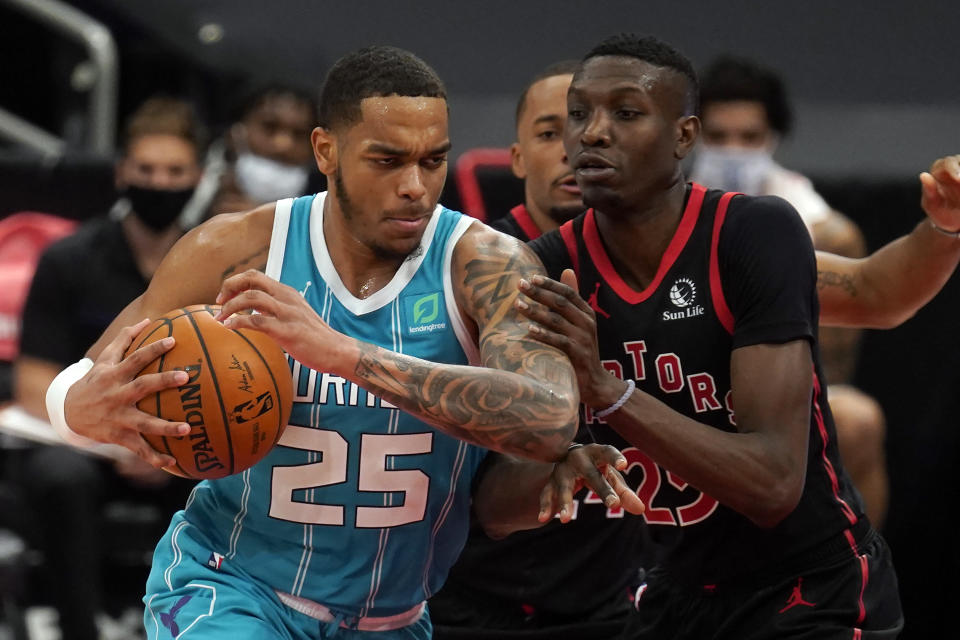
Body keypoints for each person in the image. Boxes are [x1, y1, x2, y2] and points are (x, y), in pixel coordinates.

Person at [43, 46, 640, 640]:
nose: (415, 186)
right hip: (232, 587)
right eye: (386, 160)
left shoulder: (485, 264)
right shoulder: (234, 249)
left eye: (433, 161)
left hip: (393, 617)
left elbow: (551, 416)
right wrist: (76, 408)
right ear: (326, 150)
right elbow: (86, 376)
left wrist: (344, 355)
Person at [434, 54, 960, 638]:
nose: (586, 136)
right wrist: (558, 446)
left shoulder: (746, 236)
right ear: (514, 157)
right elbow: (492, 508)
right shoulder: (509, 274)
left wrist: (943, 229)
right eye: (562, 125)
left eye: (622, 114)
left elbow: (870, 295)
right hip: (632, 589)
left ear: (683, 135)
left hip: (794, 588)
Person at [11, 96, 206, 640]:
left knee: (231, 473)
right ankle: (79, 628)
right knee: (58, 478)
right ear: (121, 172)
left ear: (198, 177)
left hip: (186, 440)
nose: (159, 183)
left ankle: (190, 624)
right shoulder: (68, 259)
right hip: (88, 444)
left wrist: (163, 449)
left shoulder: (217, 259)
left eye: (175, 171)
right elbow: (32, 386)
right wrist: (121, 439)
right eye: (146, 170)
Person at [692, 55, 888, 526]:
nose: (733, 151)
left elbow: (832, 377)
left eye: (749, 137)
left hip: (773, 393)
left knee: (859, 417)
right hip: (669, 383)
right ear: (689, 133)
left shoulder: (817, 224)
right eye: (718, 137)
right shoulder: (656, 200)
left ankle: (855, 572)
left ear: (773, 138)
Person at [207, 83, 323, 216]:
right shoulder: (195, 189)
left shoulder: (327, 215)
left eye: (299, 133)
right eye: (269, 127)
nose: (283, 144)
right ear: (236, 133)